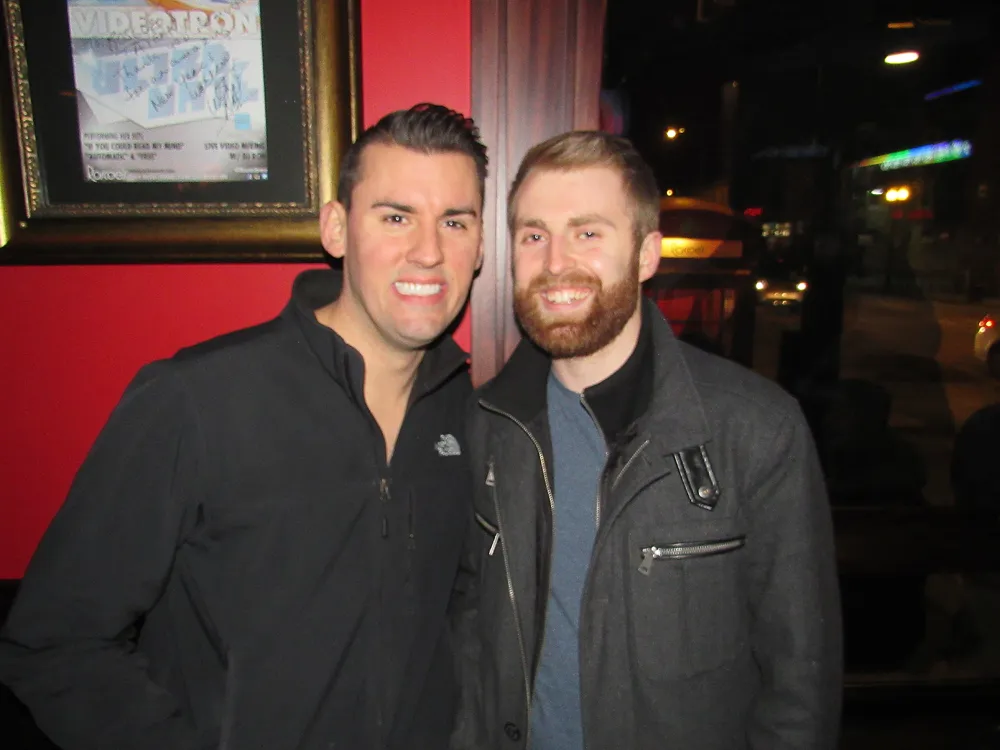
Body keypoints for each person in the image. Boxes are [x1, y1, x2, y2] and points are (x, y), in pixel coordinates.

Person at [0, 103, 486, 750]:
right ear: (336, 229)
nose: (428, 252)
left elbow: (458, 616)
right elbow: (54, 641)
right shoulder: (196, 399)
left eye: (455, 222)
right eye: (395, 217)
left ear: (480, 247)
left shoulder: (468, 416)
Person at [452, 131, 842, 749]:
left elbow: (800, 682)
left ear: (646, 254)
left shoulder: (757, 429)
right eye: (533, 235)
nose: (555, 263)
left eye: (588, 232)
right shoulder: (487, 423)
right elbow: (472, 623)